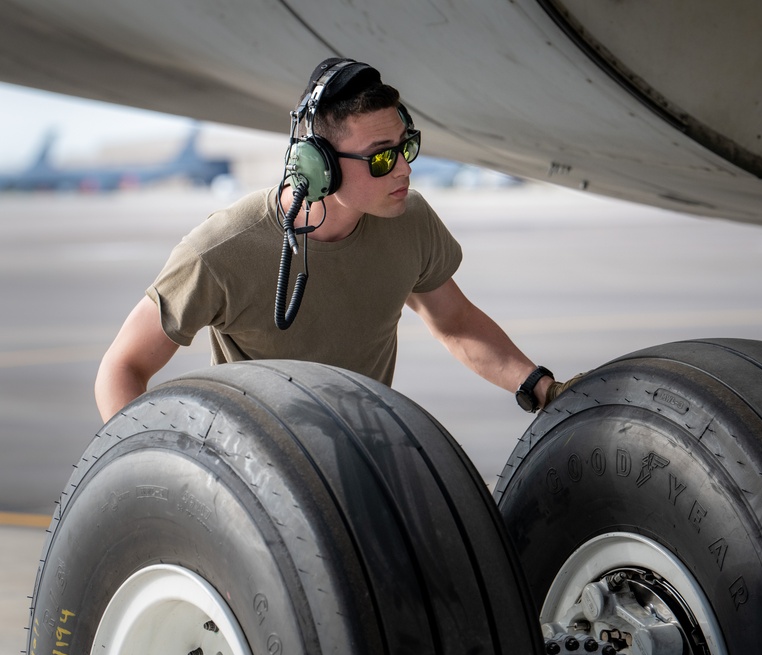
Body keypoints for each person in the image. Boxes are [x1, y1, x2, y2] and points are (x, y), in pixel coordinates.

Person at [95, 57, 568, 422]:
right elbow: (122, 369)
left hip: (365, 454)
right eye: (382, 158)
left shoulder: (409, 219)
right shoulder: (221, 250)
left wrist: (540, 387)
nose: (404, 168)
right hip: (258, 471)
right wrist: (156, 469)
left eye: (407, 147)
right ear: (317, 166)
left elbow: (456, 322)